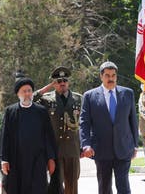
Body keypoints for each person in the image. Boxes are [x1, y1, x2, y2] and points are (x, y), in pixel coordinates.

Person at [79, 61, 138, 194]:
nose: (110, 78)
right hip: (101, 149)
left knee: (124, 187)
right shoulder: (89, 96)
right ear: (101, 76)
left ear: (116, 76)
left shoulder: (128, 93)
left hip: (123, 148)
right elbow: (84, 122)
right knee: (104, 187)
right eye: (107, 75)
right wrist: (86, 144)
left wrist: (135, 144)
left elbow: (133, 120)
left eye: (113, 75)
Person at [0, 78, 57, 194]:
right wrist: (4, 159)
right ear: (18, 94)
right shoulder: (10, 111)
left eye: (29, 91)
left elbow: (48, 136)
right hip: (16, 160)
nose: (27, 94)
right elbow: (5, 137)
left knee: (38, 189)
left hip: (37, 160)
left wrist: (51, 158)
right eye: (24, 91)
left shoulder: (41, 111)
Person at [33, 66, 83, 194]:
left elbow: (84, 123)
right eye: (58, 81)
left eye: (65, 80)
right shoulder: (46, 99)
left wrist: (83, 146)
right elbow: (29, 100)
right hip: (55, 149)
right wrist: (47, 88)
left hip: (73, 149)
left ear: (68, 82)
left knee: (72, 185)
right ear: (54, 83)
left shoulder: (78, 98)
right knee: (55, 186)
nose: (62, 84)